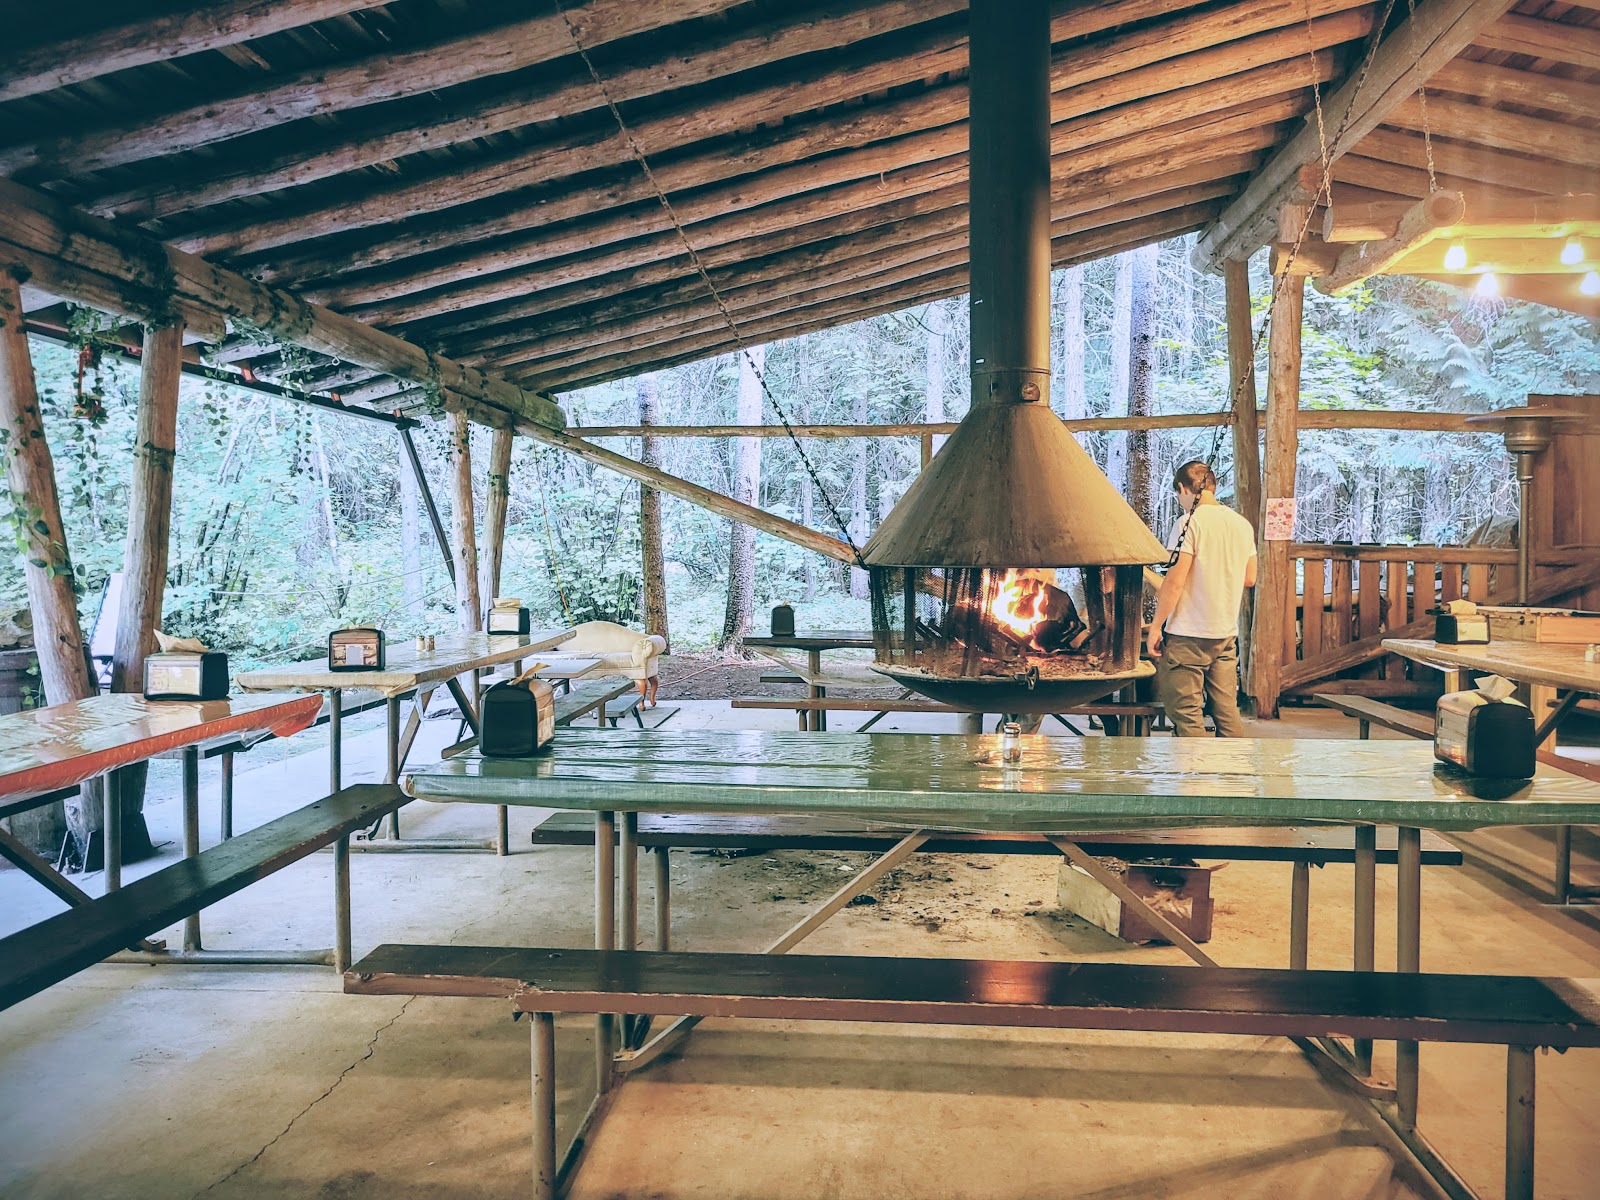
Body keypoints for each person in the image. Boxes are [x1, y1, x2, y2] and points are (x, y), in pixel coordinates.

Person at [1148, 460, 1257, 737]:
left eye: (1178, 494)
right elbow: (1249, 578)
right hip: (1224, 634)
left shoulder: (1188, 522)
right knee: (1227, 713)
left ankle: (1196, 767)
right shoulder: (1241, 524)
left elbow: (1174, 583)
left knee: (1187, 716)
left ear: (1184, 488)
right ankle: (1234, 765)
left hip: (1187, 635)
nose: (1179, 501)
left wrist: (1156, 626)